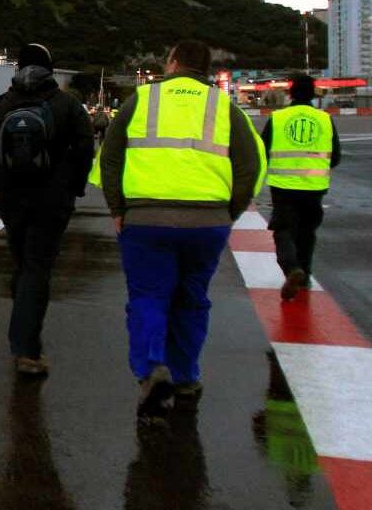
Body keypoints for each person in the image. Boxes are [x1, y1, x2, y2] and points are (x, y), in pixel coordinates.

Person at [93, 40, 266, 418]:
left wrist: (117, 209)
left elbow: (109, 157)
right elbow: (249, 167)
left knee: (148, 297)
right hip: (207, 223)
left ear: (171, 62)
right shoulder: (226, 106)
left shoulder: (141, 99)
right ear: (206, 69)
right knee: (192, 300)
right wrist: (228, 213)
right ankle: (186, 376)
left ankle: (151, 367)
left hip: (146, 221)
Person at [0, 43, 95, 377]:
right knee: (37, 267)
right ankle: (26, 349)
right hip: (52, 200)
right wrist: (74, 186)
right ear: (50, 68)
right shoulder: (67, 104)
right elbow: (86, 148)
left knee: (22, 262)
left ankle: (23, 331)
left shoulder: (1, 104)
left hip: (12, 198)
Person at [261, 73, 340, 300]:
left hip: (283, 187)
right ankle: (304, 276)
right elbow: (335, 157)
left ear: (290, 93)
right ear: (314, 95)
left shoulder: (278, 118)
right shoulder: (324, 119)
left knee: (284, 230)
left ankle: (291, 268)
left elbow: (263, 151)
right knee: (307, 232)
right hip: (315, 188)